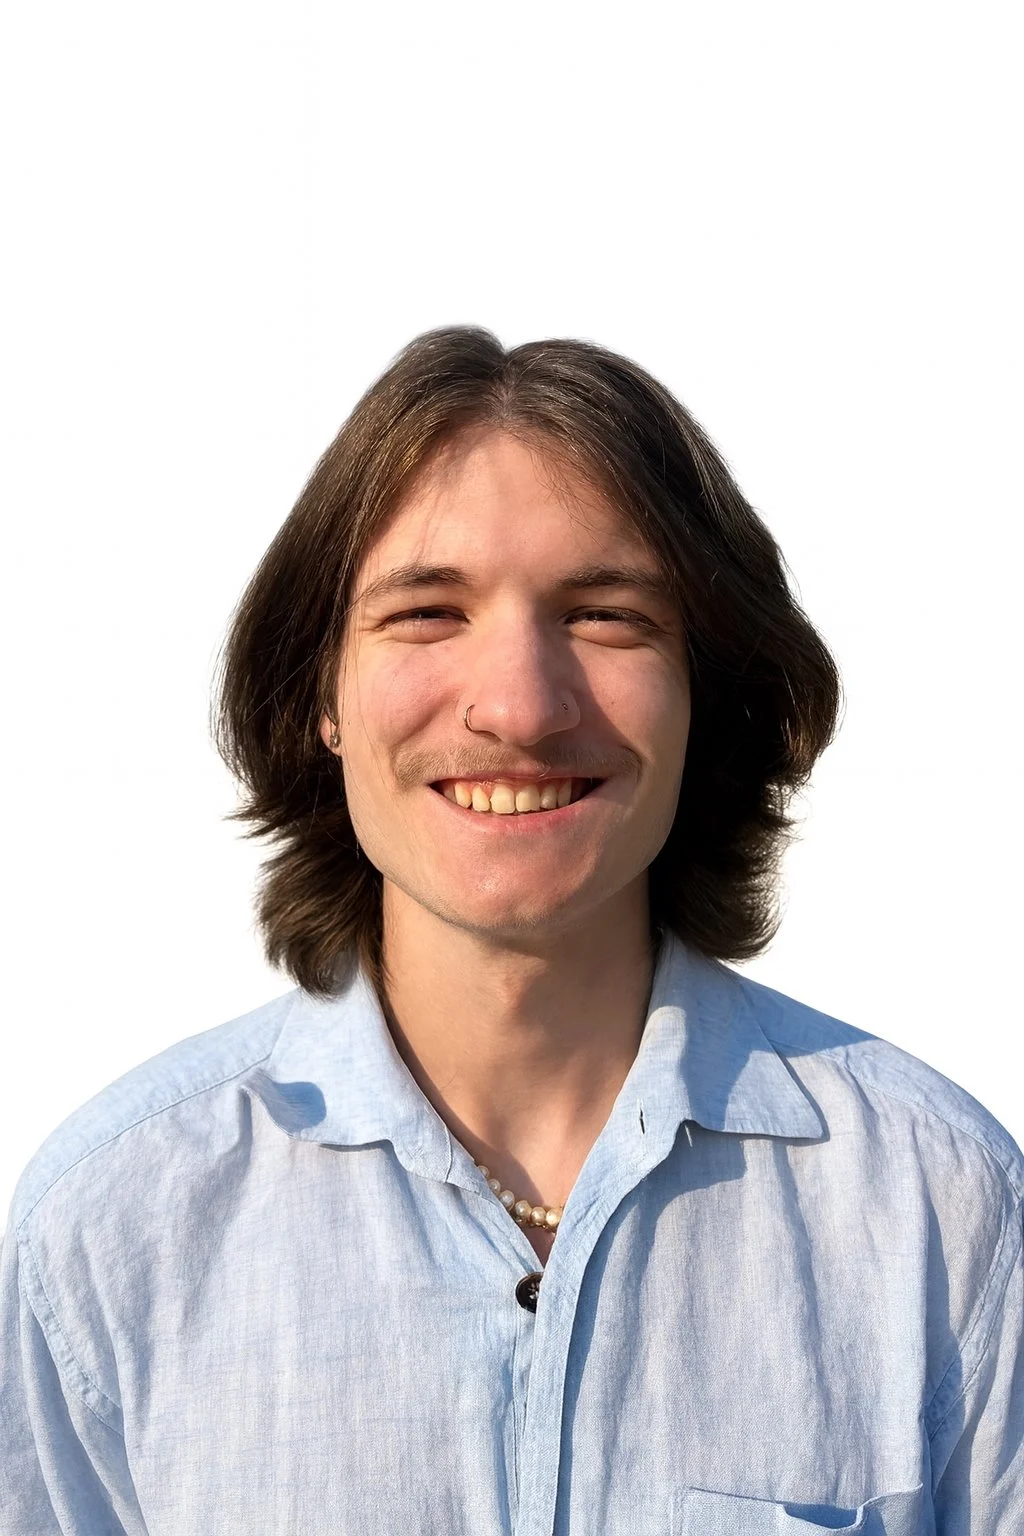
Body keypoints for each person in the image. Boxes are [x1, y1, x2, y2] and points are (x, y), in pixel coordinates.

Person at [1, 327, 1020, 1535]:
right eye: (427, 613)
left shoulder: (941, 1216)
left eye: (604, 616)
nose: (520, 707)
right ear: (318, 696)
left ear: (713, 692)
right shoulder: (110, 1232)